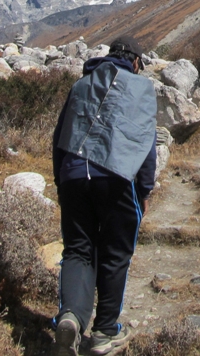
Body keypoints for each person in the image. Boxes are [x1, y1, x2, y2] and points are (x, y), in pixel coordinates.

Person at [51, 36, 158, 356]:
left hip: (73, 176)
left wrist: (61, 181)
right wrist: (144, 190)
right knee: (114, 255)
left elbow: (59, 138)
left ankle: (70, 316)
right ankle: (104, 333)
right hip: (115, 177)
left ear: (110, 55)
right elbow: (146, 145)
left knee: (77, 251)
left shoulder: (80, 86)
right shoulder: (141, 89)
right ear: (136, 62)